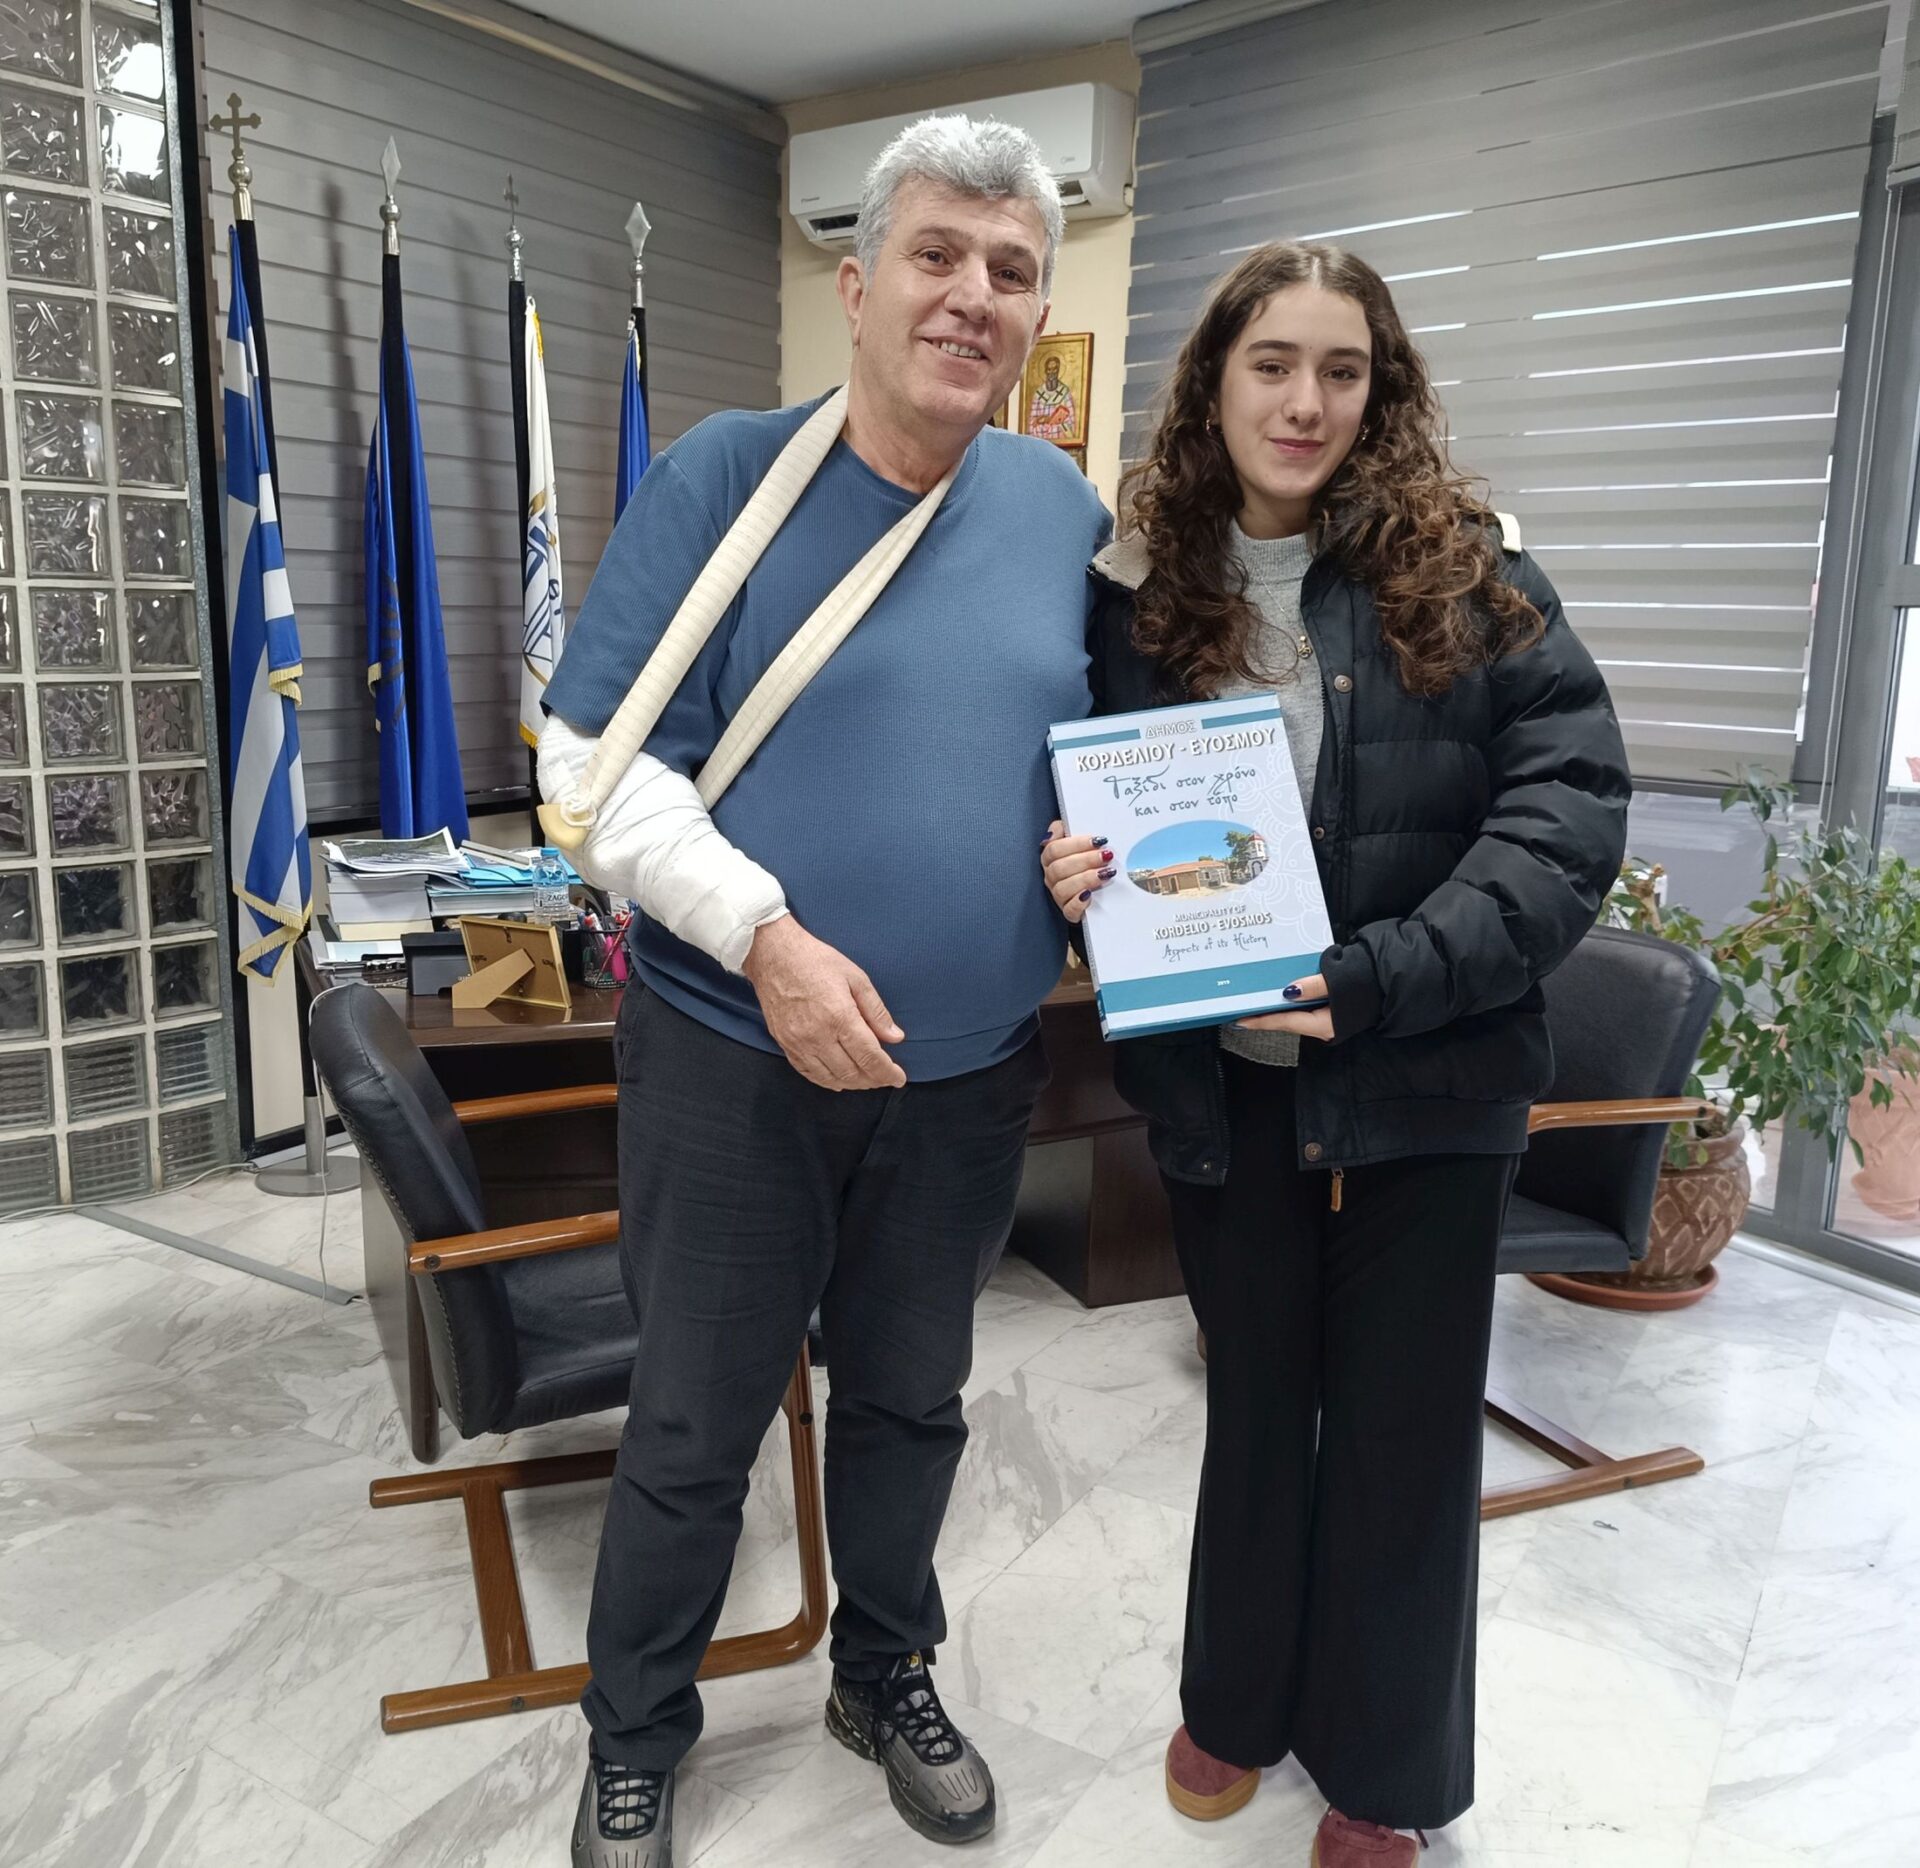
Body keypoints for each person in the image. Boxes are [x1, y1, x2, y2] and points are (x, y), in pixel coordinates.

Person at [540, 117, 1107, 1867]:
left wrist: (1089, 858)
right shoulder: (724, 477)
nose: (973, 296)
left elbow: (1086, 749)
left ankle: (884, 1675)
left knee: (911, 1405)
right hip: (734, 1064)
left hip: (967, 1079)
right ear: (858, 288)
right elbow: (588, 770)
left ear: (1034, 313)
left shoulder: (1061, 510)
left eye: (1010, 270)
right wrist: (767, 941)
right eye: (937, 255)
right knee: (695, 1426)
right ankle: (636, 1736)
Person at [1041, 242, 1629, 1868]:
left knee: (1404, 1434)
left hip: (1431, 1082)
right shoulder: (1134, 592)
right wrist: (1072, 872)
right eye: (1273, 364)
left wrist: (1376, 984)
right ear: (1215, 381)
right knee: (1256, 1409)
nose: (1305, 402)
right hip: (1222, 1090)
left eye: (1342, 369)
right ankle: (1234, 1704)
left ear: (1384, 389)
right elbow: (1088, 798)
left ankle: (1382, 1770)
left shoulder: (1474, 570)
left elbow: (1567, 818)